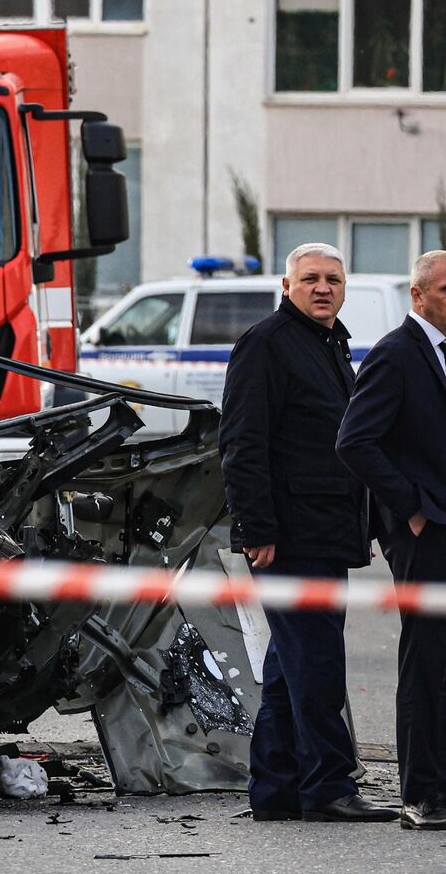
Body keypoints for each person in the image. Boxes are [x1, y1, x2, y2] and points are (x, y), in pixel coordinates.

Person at [223, 242, 392, 823]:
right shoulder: (267, 343)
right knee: (316, 662)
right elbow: (243, 444)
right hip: (289, 535)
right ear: (287, 286)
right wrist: (257, 528)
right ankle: (328, 788)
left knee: (289, 666)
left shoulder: (329, 345)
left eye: (334, 280)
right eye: (311, 279)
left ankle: (276, 790)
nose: (324, 288)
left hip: (324, 529)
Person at [338, 250, 446, 830]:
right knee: (426, 660)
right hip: (424, 533)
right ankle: (421, 794)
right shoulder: (397, 354)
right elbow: (355, 441)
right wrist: (409, 507)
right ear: (419, 294)